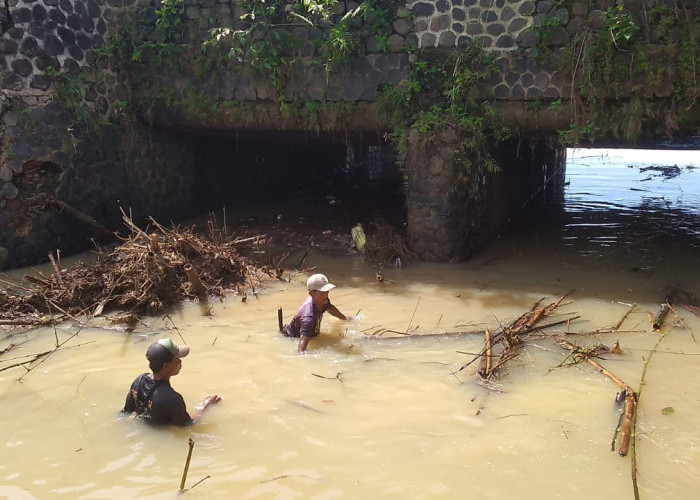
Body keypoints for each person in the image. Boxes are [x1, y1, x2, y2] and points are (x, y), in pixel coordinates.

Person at [121, 338, 221, 426]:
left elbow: (126, 412)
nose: (180, 361)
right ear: (166, 366)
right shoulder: (173, 399)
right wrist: (205, 407)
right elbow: (187, 426)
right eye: (177, 359)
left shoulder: (138, 381)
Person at [282, 273, 351, 354]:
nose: (326, 294)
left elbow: (330, 308)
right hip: (292, 338)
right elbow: (301, 349)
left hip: (310, 333)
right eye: (322, 292)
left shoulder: (322, 300)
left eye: (327, 291)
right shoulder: (308, 318)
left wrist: (345, 318)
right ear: (311, 294)